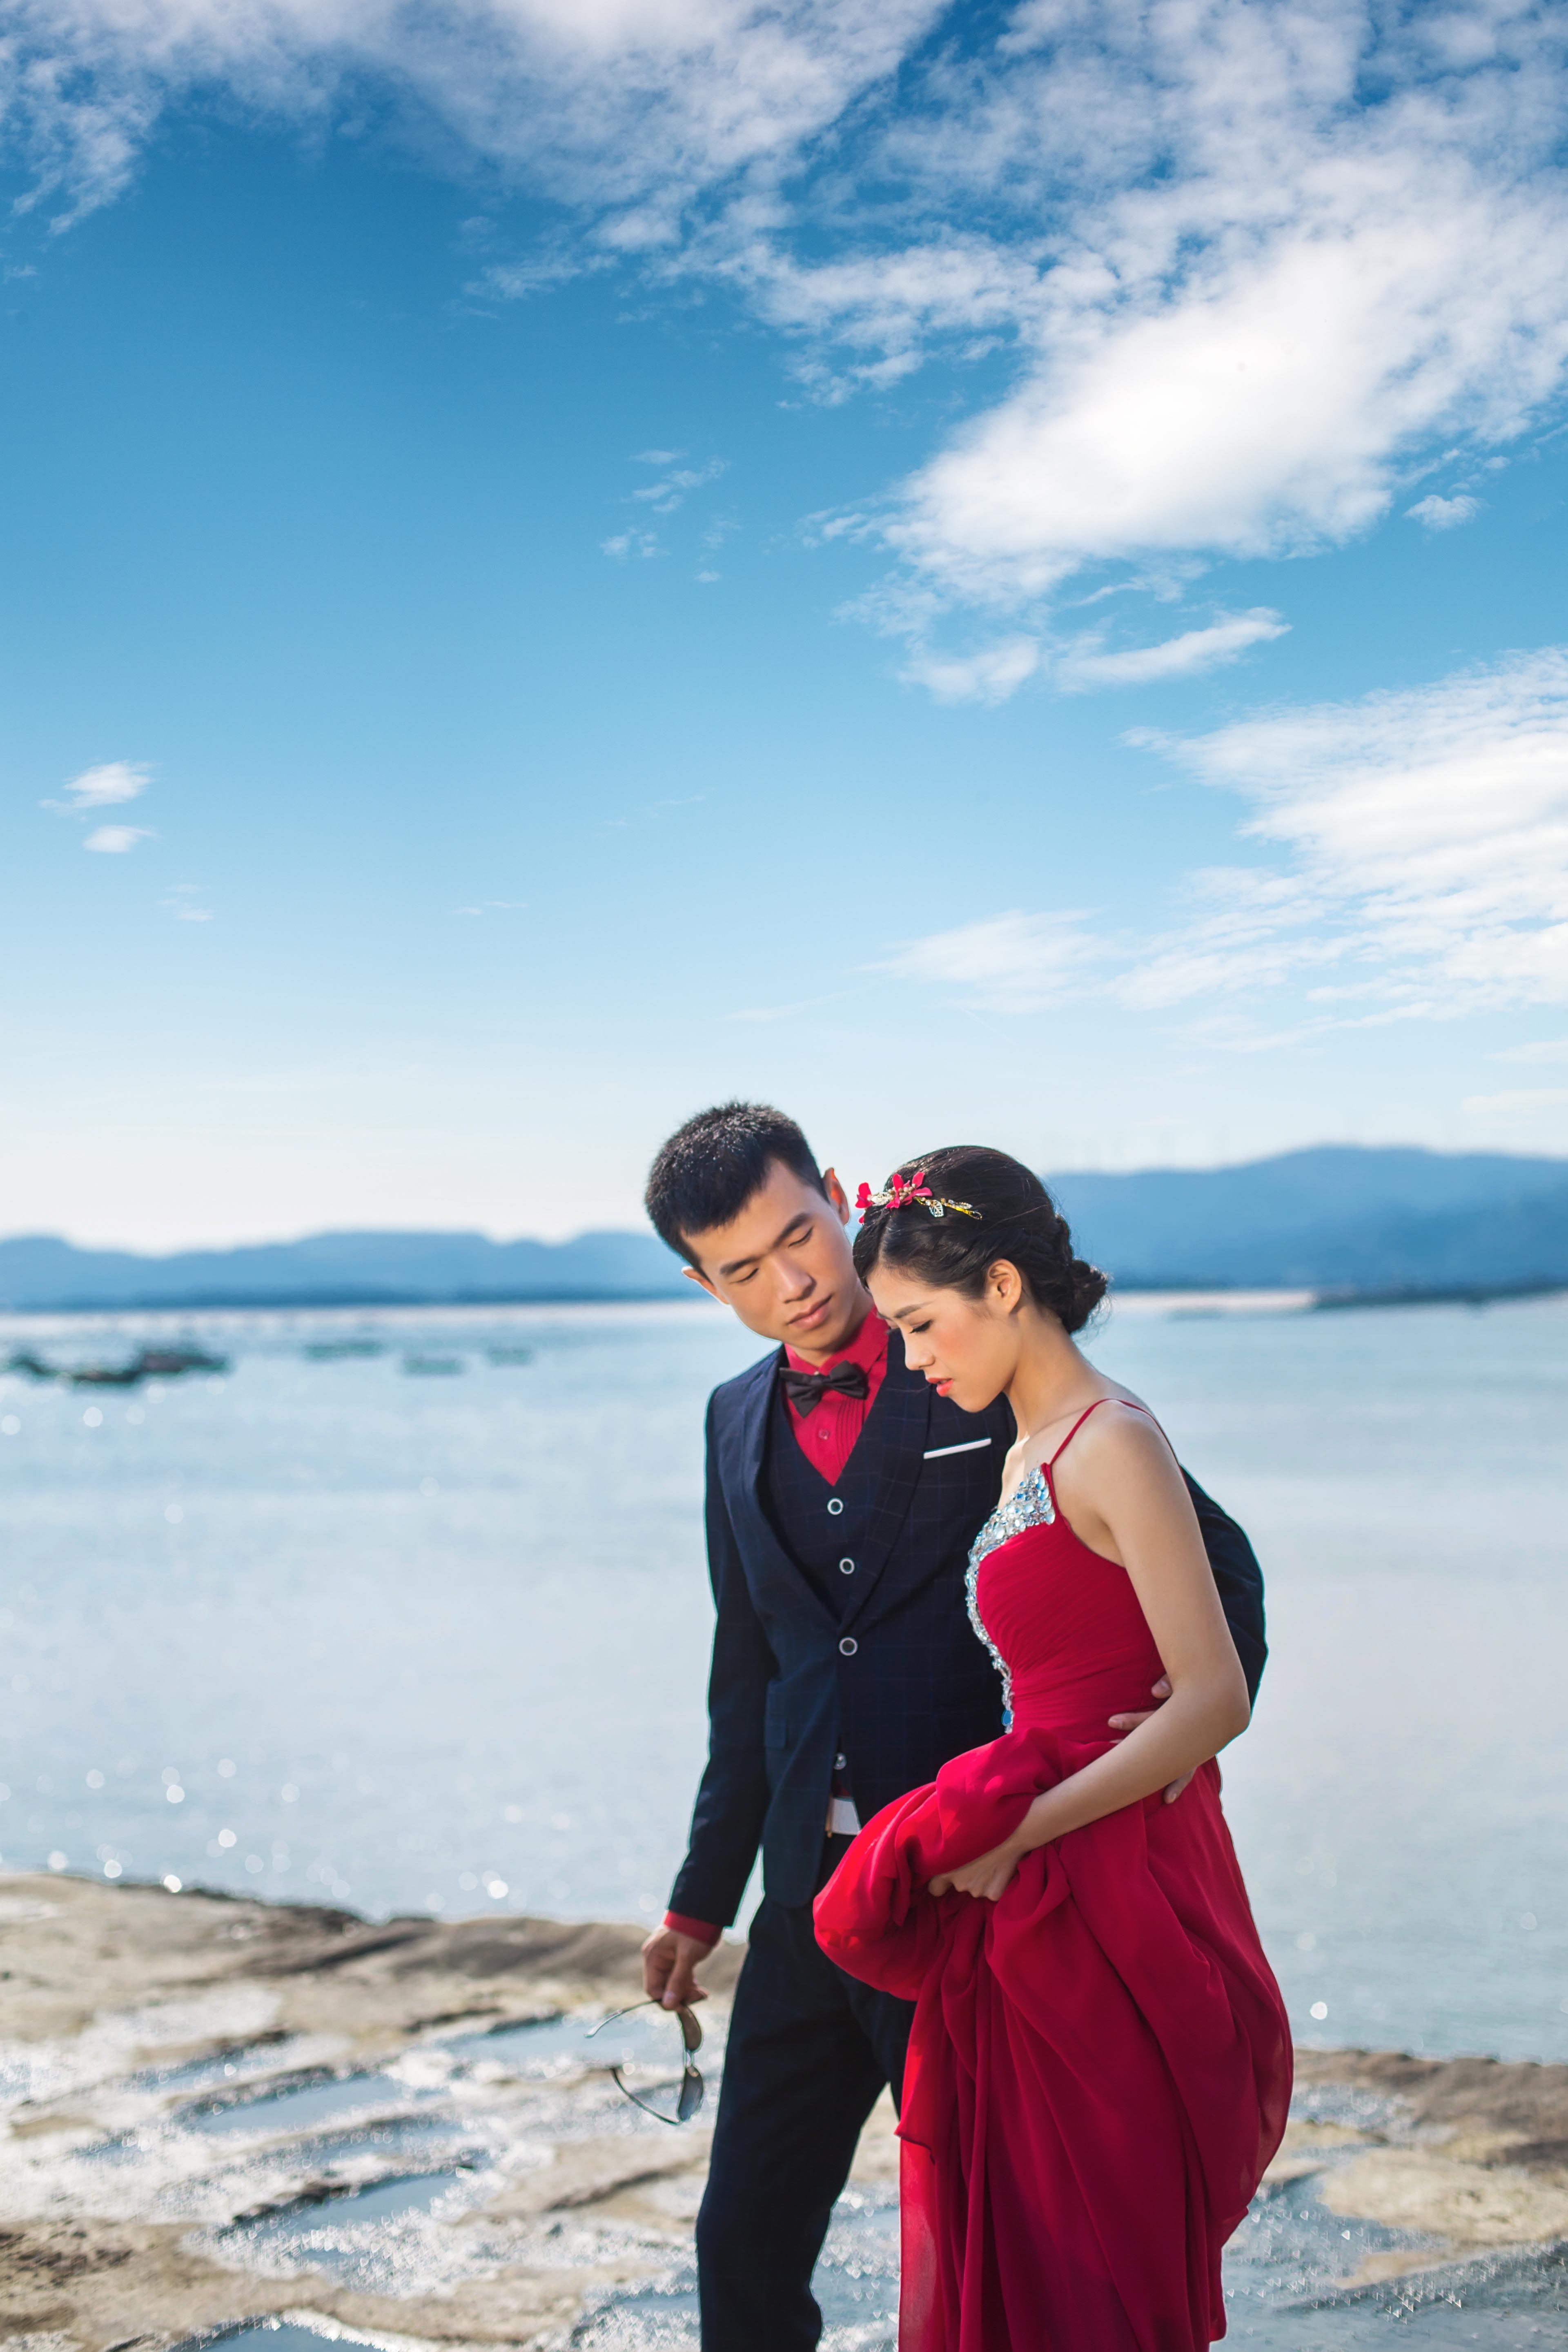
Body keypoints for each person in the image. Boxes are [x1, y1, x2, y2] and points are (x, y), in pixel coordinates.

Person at [639, 1104, 1270, 2352]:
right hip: (810, 1893)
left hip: (979, 1891)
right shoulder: (729, 1419)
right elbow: (748, 1673)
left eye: (799, 1236)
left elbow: (1217, 1572)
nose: (791, 1283)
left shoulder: (975, 1356)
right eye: (744, 1270)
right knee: (742, 2242)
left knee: (1002, 2239)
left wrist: (1163, 1740)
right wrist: (699, 1902)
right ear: (704, 1285)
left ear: (836, 1196)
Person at [814, 1145, 1292, 2351]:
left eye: (922, 1326)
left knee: (1094, 2248)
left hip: (1109, 1870)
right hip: (1044, 1869)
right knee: (1027, 2235)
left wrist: (1016, 1830)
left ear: (1004, 1286)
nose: (913, 1362)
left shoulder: (1112, 1438)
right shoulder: (1025, 1449)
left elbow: (1215, 1696)